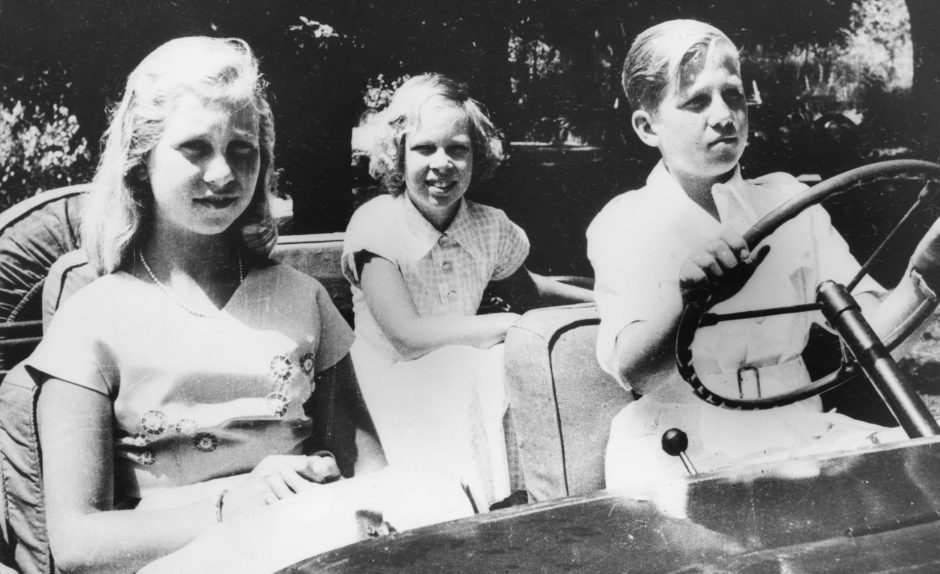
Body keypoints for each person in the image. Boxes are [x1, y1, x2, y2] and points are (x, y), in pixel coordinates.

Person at [14, 37, 382, 573]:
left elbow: (371, 476)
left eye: (242, 149)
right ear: (139, 162)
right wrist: (231, 506)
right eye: (195, 148)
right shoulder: (91, 321)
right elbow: (76, 544)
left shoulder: (304, 299)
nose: (223, 174)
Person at [588, 19, 940, 488]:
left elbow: (872, 338)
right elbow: (634, 370)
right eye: (696, 101)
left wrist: (927, 271)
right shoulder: (626, 221)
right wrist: (690, 300)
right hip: (683, 455)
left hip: (804, 438)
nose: (723, 115)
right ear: (647, 126)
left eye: (733, 95)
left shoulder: (788, 202)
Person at [343, 74, 591, 510]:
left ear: (477, 155)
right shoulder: (377, 224)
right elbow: (407, 337)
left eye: (457, 149)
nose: (442, 163)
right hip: (387, 397)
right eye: (424, 148)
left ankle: (531, 503)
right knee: (470, 366)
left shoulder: (488, 225)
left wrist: (602, 300)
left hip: (464, 391)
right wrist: (508, 324)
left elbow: (530, 290)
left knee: (507, 368)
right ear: (398, 154)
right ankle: (468, 512)